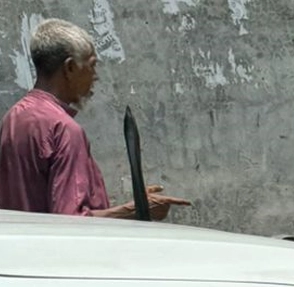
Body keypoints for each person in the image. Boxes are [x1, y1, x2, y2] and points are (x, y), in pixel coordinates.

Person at [0, 18, 188, 219]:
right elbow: (71, 223)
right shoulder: (64, 130)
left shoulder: (13, 117)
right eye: (92, 66)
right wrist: (136, 210)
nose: (95, 76)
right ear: (70, 68)